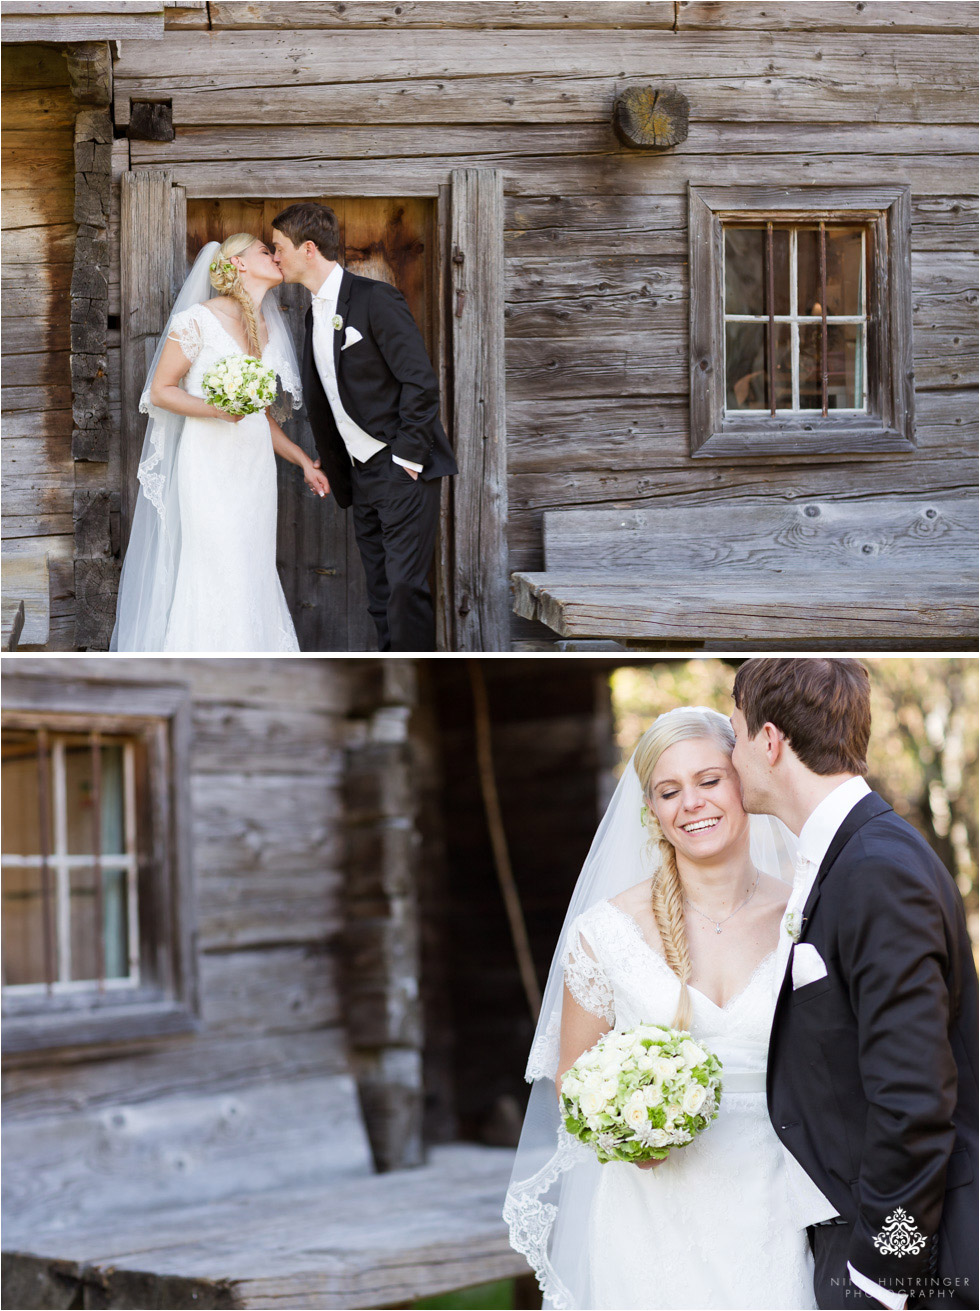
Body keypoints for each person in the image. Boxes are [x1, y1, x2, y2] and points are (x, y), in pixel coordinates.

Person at [505, 707, 816, 1310]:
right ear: (650, 810)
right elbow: (574, 1079)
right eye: (669, 791)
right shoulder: (606, 933)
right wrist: (629, 1131)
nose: (691, 804)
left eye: (709, 781)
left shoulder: (806, 916)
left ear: (743, 783)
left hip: (776, 1207)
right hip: (648, 1221)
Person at [731, 658, 978, 1311]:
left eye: (735, 733)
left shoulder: (876, 869)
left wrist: (878, 1279)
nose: (731, 756)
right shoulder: (849, 853)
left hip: (913, 1262)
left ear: (771, 740)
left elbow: (915, 1101)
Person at [111, 233, 329, 651]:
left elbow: (259, 418)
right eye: (266, 251)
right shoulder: (197, 320)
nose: (276, 256)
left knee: (251, 567)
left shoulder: (267, 325)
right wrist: (217, 409)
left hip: (254, 471)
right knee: (215, 565)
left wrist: (302, 461)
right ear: (240, 264)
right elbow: (160, 391)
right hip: (208, 466)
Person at [270, 203, 457, 652]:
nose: (275, 257)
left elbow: (421, 383)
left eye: (279, 248)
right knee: (379, 595)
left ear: (308, 248)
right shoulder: (315, 312)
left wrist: (407, 457)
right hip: (359, 474)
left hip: (401, 468)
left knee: (404, 592)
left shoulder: (375, 299)